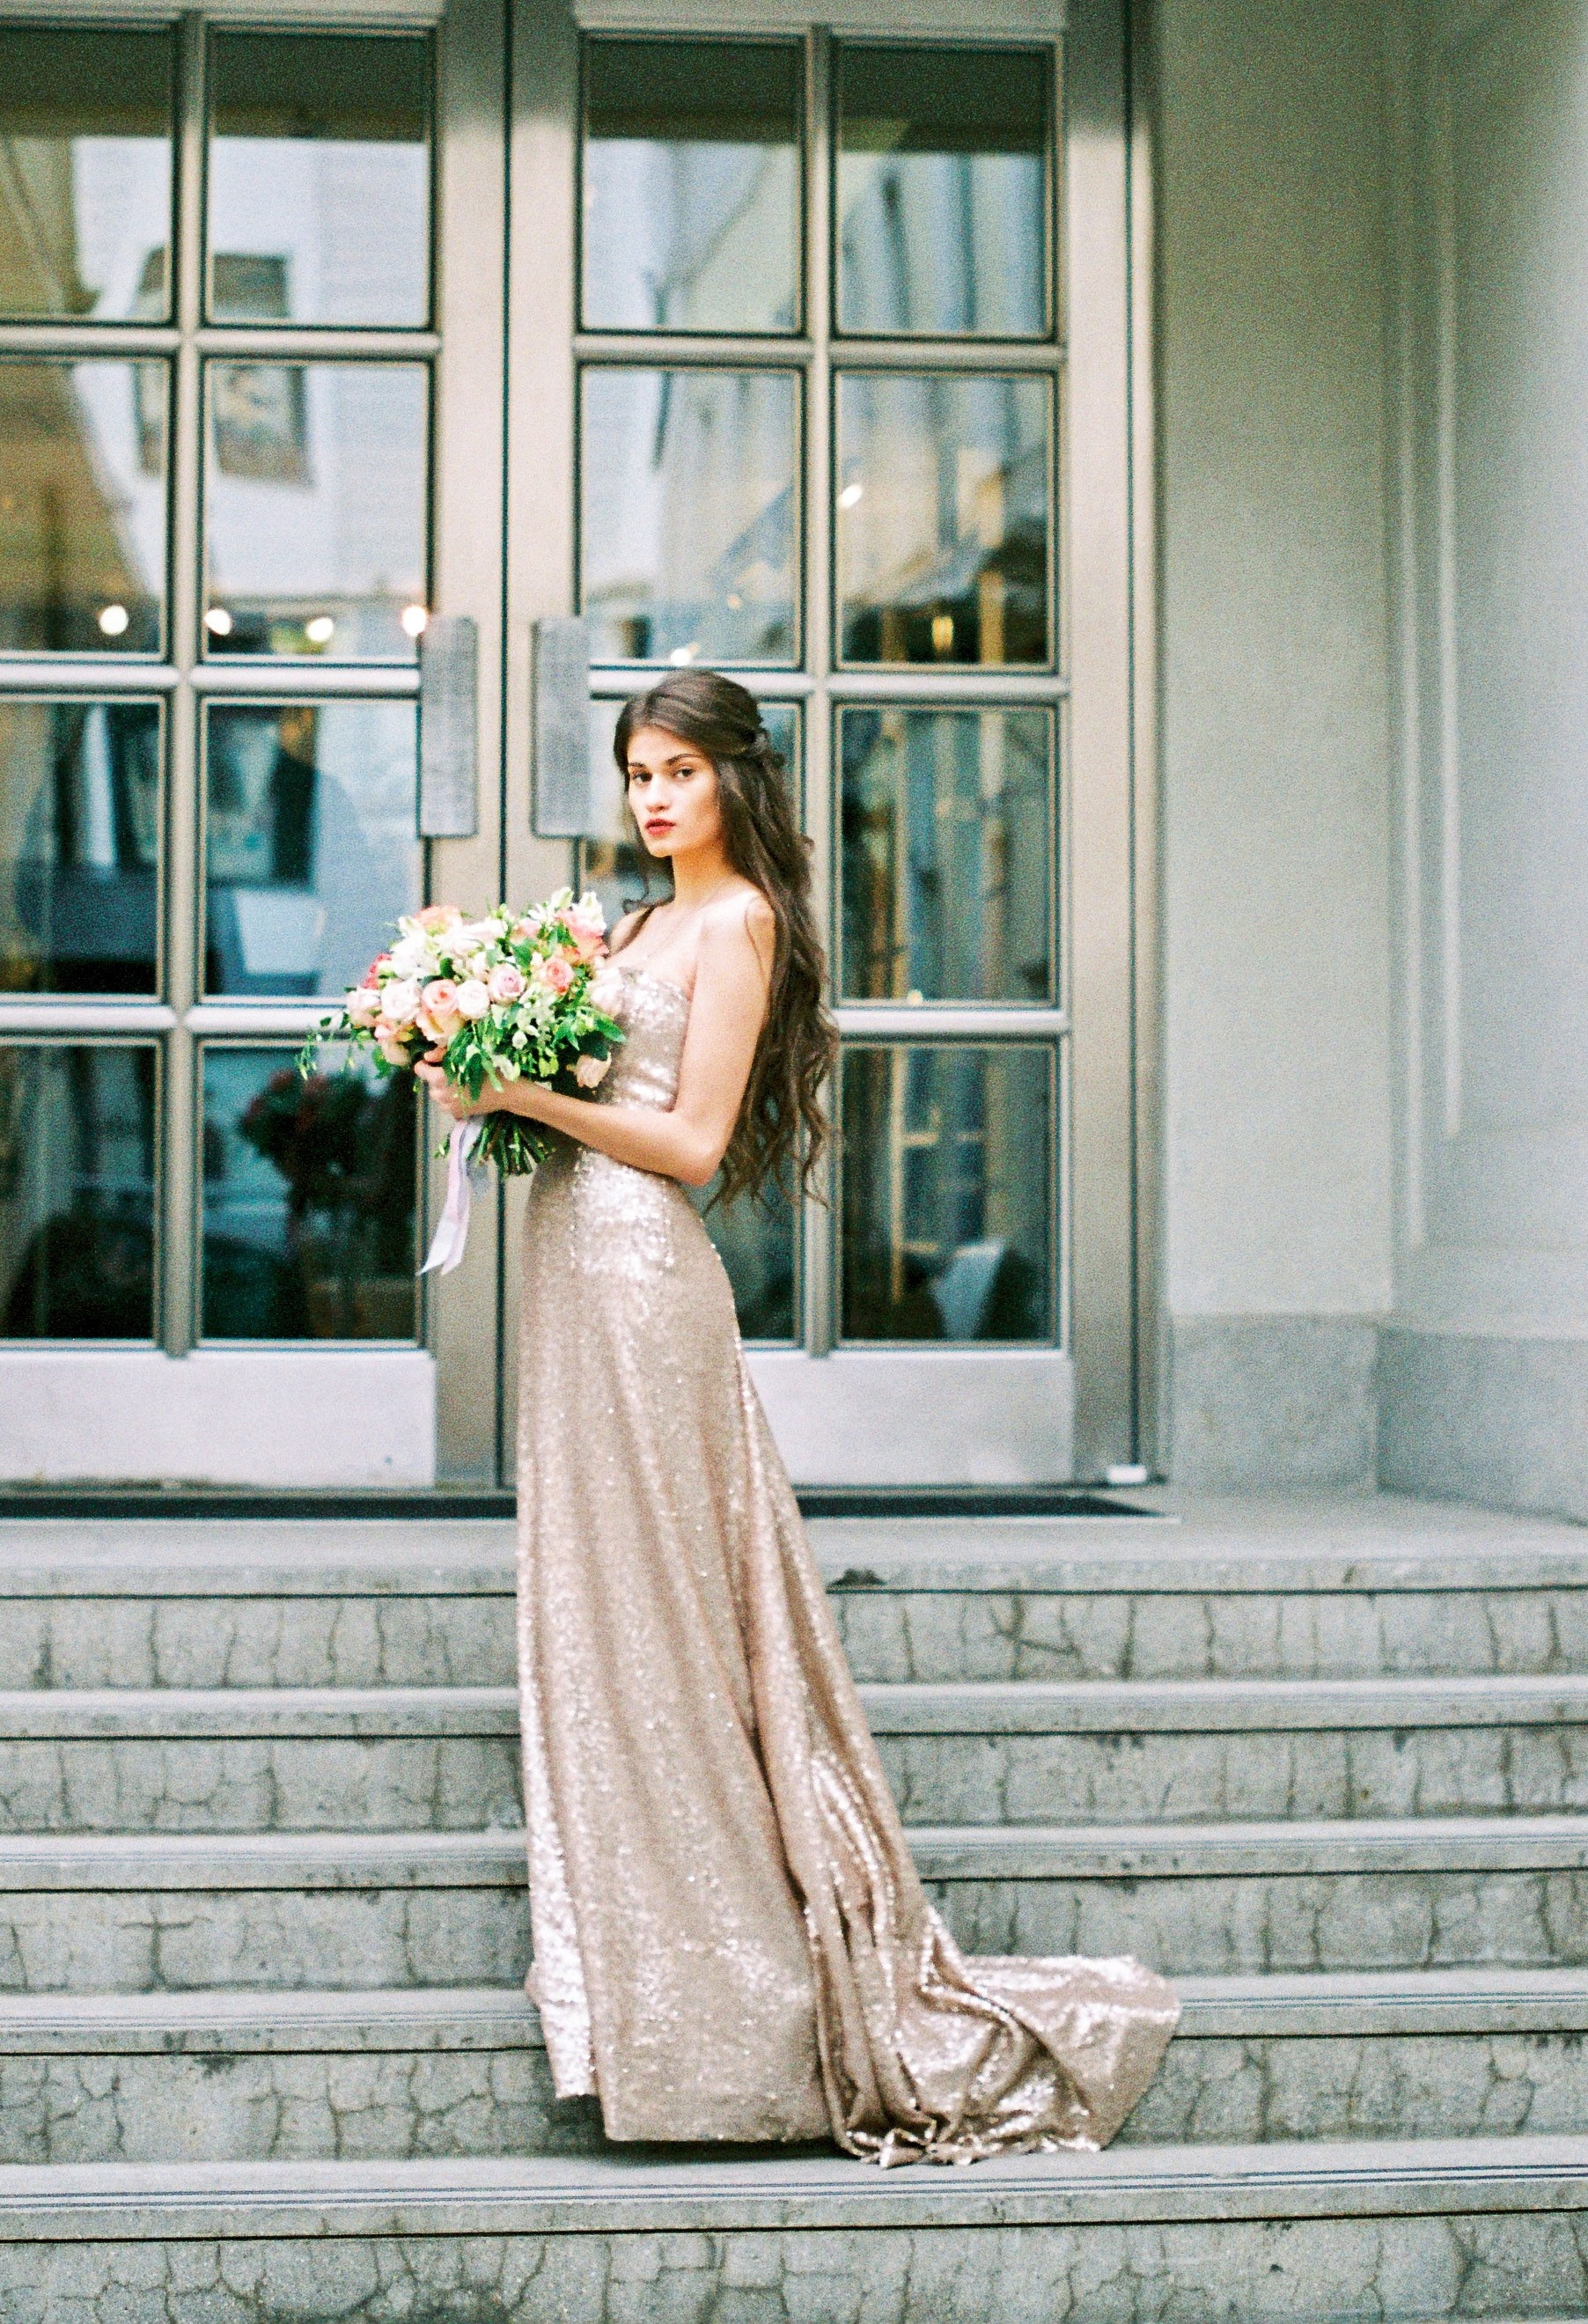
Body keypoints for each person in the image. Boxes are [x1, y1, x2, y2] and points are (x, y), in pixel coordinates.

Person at [418, 666, 1178, 2165]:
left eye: (681, 771)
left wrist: (525, 1091)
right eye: (638, 768)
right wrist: (468, 1079)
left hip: (643, 1280)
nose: (652, 795)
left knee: (672, 1622)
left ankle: (727, 1997)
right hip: (564, 1281)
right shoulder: (614, 925)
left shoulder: (738, 923)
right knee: (598, 1613)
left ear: (734, 783)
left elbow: (692, 1143)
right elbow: (547, 1102)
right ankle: (635, 1980)